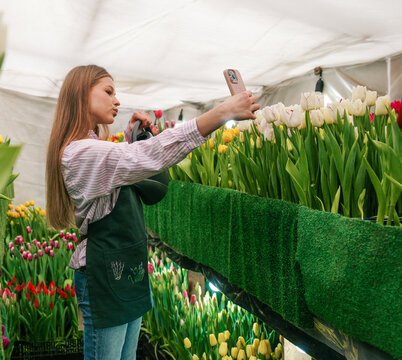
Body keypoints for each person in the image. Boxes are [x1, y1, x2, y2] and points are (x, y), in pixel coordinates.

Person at [45, 65, 259, 360]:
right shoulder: (78, 153)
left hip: (125, 271)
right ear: (80, 95)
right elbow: (142, 158)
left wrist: (130, 138)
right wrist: (221, 113)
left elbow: (123, 163)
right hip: (104, 278)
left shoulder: (93, 148)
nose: (116, 101)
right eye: (108, 91)